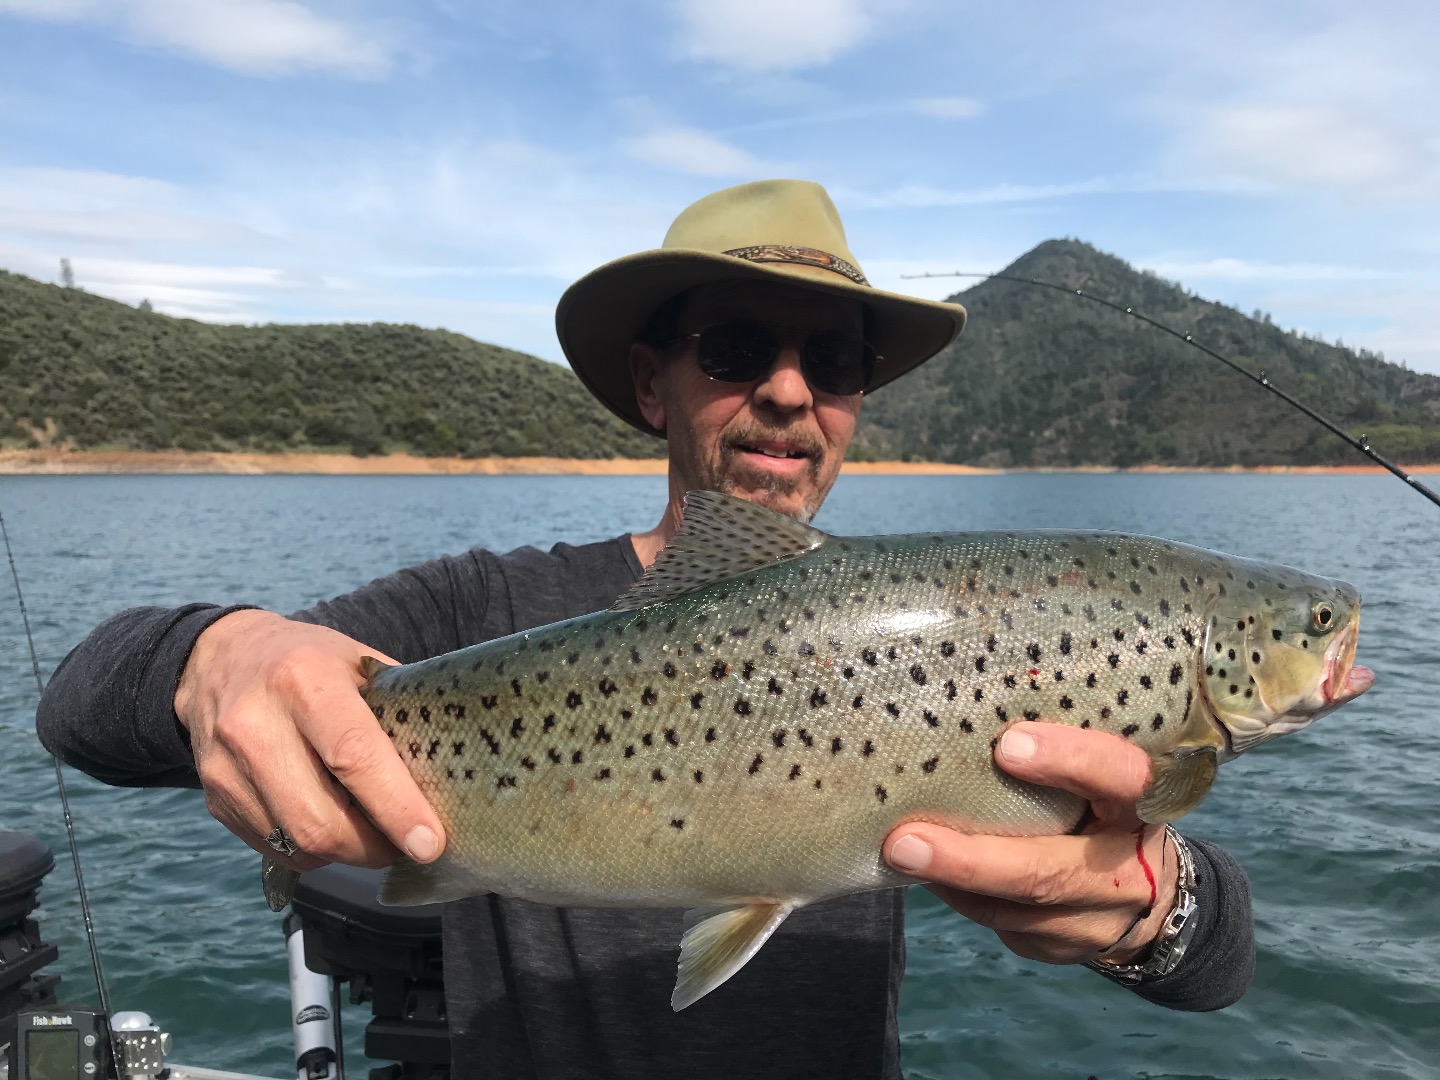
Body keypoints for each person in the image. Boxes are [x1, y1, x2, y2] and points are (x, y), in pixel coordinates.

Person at [37, 180, 1253, 1078]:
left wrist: (1150, 906)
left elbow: (1219, 963)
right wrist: (222, 653)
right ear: (647, 384)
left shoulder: (947, 632)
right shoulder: (479, 612)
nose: (789, 391)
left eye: (831, 360)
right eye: (736, 349)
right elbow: (84, 706)